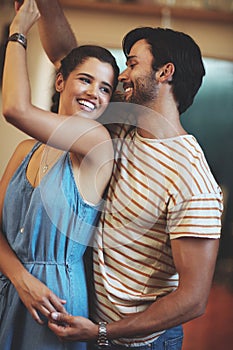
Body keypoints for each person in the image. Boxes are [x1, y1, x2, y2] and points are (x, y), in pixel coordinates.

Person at [6, 1, 223, 349]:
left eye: (133, 64)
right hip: (90, 325)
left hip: (140, 342)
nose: (122, 75)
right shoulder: (122, 125)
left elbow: (193, 299)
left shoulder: (191, 178)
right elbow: (68, 56)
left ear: (164, 72)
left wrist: (104, 332)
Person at [0, 1, 120, 349]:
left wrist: (19, 31)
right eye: (86, 79)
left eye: (105, 88)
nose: (93, 94)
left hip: (57, 305)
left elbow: (14, 108)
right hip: (11, 289)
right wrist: (21, 278)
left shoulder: (97, 144)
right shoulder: (26, 150)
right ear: (60, 81)